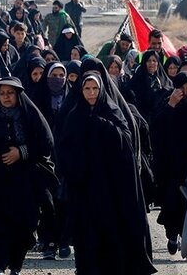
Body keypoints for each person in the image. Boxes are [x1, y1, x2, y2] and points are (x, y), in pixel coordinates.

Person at [57, 74, 157, 275]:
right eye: (87, 89)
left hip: (111, 190)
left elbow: (126, 143)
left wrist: (102, 126)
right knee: (87, 239)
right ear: (81, 91)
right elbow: (64, 149)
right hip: (84, 189)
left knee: (111, 238)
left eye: (95, 88)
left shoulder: (113, 112)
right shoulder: (74, 116)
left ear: (101, 89)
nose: (92, 93)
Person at [0, 77, 55, 275]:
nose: (6, 97)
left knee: (23, 223)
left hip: (24, 179)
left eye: (10, 93)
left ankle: (16, 266)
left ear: (18, 94)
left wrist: (21, 152)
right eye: (2, 93)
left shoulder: (29, 115)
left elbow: (46, 142)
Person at [151, 71, 187, 259]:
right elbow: (156, 129)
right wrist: (171, 105)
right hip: (170, 164)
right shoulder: (166, 102)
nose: (185, 92)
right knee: (171, 203)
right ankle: (172, 235)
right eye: (181, 88)